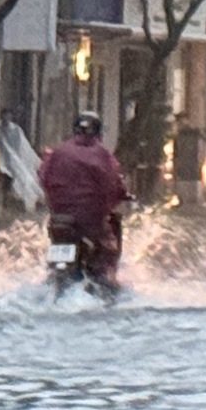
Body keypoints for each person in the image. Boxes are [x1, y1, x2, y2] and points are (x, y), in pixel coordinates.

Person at [39, 110, 129, 288]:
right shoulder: (102, 155)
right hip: (91, 220)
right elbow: (113, 183)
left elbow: (43, 176)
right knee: (107, 247)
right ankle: (105, 278)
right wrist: (121, 195)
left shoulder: (58, 152)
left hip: (59, 219)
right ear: (98, 132)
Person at [170, 111, 205, 207]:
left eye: (181, 121)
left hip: (190, 168)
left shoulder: (192, 134)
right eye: (178, 122)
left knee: (189, 193)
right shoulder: (179, 135)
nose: (179, 124)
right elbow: (176, 153)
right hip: (184, 169)